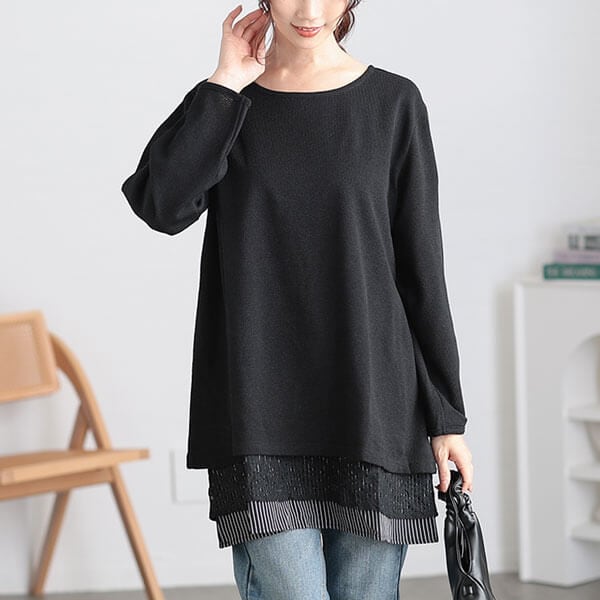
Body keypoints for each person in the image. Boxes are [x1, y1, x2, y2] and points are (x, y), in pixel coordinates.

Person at [121, 1, 474, 598]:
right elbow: (162, 205)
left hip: (373, 405)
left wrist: (446, 419)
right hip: (257, 409)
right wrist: (224, 84)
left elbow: (421, 270)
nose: (309, 10)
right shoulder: (228, 104)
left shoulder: (393, 103)